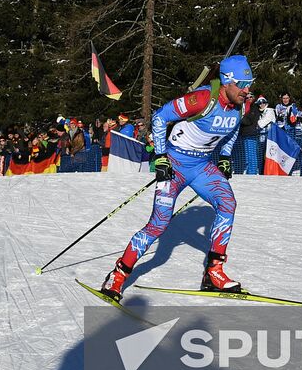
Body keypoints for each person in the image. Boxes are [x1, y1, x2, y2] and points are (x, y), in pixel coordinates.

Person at [100, 55, 254, 301]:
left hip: (201, 166)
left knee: (228, 204)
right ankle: (118, 275)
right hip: (175, 165)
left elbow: (233, 129)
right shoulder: (203, 98)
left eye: (250, 84)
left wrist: (225, 156)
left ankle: (213, 273)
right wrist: (160, 156)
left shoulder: (241, 104)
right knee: (158, 225)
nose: (247, 91)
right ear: (227, 81)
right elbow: (161, 117)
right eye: (243, 85)